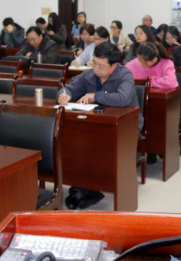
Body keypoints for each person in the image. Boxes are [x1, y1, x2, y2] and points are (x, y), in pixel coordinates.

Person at [58, 42, 142, 210]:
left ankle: (87, 187)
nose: (95, 68)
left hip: (127, 125)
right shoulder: (89, 75)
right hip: (96, 123)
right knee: (74, 142)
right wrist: (63, 95)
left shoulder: (125, 75)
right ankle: (84, 186)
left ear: (114, 65)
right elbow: (68, 89)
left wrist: (96, 96)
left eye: (100, 65)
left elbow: (123, 98)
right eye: (94, 63)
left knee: (96, 146)